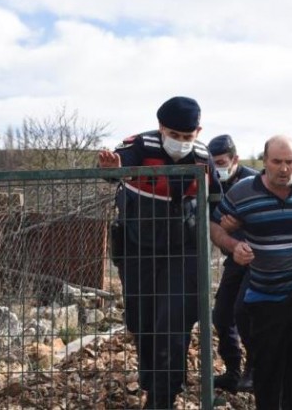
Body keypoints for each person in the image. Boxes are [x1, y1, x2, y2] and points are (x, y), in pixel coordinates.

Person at [98, 96, 222, 409]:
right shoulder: (141, 146)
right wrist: (113, 168)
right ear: (160, 128)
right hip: (139, 247)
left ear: (198, 131)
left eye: (187, 137)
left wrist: (226, 224)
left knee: (174, 319)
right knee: (142, 320)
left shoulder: (203, 157)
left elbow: (217, 199)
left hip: (184, 250)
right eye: (174, 135)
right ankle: (152, 379)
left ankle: (163, 395)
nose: (180, 143)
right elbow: (117, 167)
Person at [209, 135, 292, 410]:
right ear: (264, 162)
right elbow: (215, 227)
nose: (284, 168)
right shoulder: (242, 193)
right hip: (265, 289)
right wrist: (234, 246)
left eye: (290, 163)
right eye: (277, 162)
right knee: (268, 359)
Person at [208, 134, 258, 393]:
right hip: (234, 257)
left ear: (235, 159)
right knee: (222, 314)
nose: (216, 168)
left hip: (257, 258)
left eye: (220, 162)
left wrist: (240, 223)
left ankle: (254, 369)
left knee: (244, 311)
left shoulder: (254, 182)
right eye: (211, 163)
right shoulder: (211, 183)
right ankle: (233, 370)